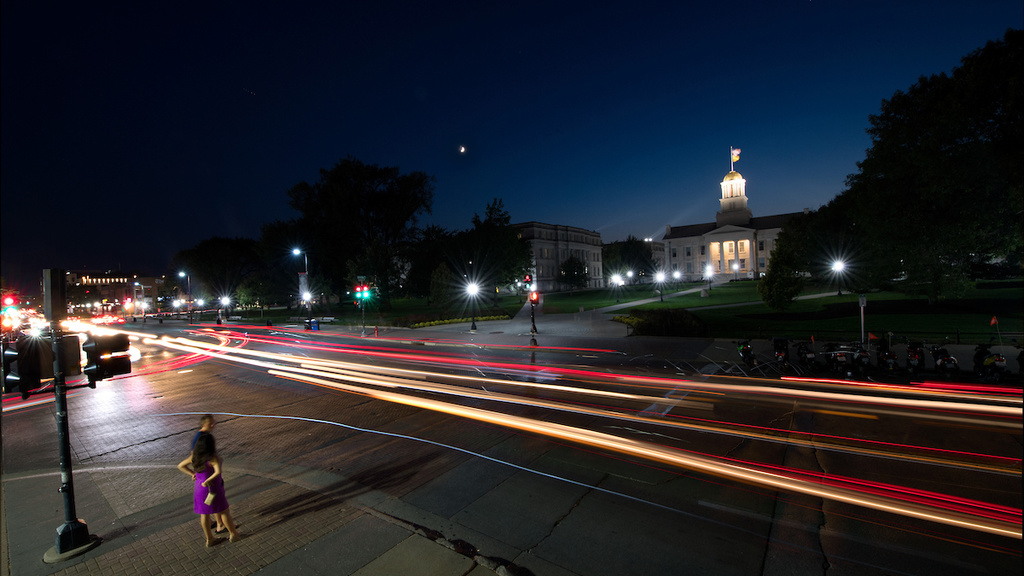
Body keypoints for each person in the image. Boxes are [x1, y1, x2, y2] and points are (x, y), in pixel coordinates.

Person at [177, 433, 241, 546]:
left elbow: (180, 465)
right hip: (213, 488)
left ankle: (209, 539)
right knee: (223, 511)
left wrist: (193, 473)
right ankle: (233, 534)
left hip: (199, 488)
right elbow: (218, 471)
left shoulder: (195, 457)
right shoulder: (212, 457)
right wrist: (207, 480)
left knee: (204, 514)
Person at [190, 414, 225, 533]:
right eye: (210, 423)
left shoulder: (205, 436)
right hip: (209, 479)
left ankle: (214, 525)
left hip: (204, 479)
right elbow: (193, 456)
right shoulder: (201, 438)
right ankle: (221, 524)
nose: (213, 425)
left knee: (207, 508)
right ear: (203, 424)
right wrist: (195, 471)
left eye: (213, 422)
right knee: (218, 503)